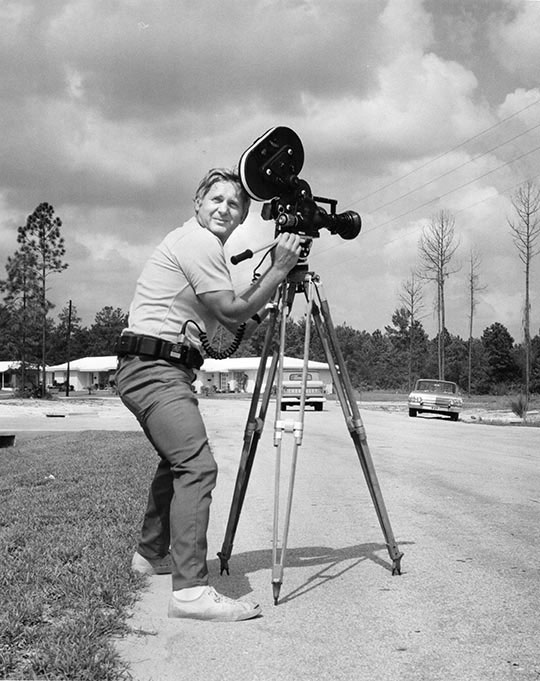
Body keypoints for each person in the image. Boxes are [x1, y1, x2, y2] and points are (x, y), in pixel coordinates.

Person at [115, 167, 301, 622]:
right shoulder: (198, 242)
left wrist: (264, 302)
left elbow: (225, 331)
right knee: (197, 466)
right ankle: (191, 593)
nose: (224, 208)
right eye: (216, 199)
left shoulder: (200, 247)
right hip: (154, 370)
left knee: (177, 461)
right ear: (197, 203)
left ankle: (148, 556)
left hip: (157, 367)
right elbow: (230, 309)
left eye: (234, 204)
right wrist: (279, 269)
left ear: (242, 218)